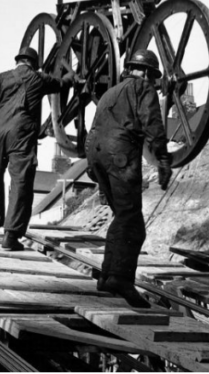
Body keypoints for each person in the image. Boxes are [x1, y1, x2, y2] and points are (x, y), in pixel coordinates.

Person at [85, 49, 172, 308]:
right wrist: (163, 160)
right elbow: (153, 124)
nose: (153, 81)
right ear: (146, 72)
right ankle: (121, 279)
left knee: (121, 216)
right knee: (133, 223)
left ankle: (107, 276)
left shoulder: (110, 92)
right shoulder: (143, 88)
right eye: (153, 76)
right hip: (119, 154)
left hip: (95, 154)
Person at [0, 46, 74, 251]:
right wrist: (72, 75)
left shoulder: (2, 77)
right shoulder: (39, 79)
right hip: (20, 134)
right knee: (20, 181)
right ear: (33, 63)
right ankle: (11, 236)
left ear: (18, 61)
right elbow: (62, 84)